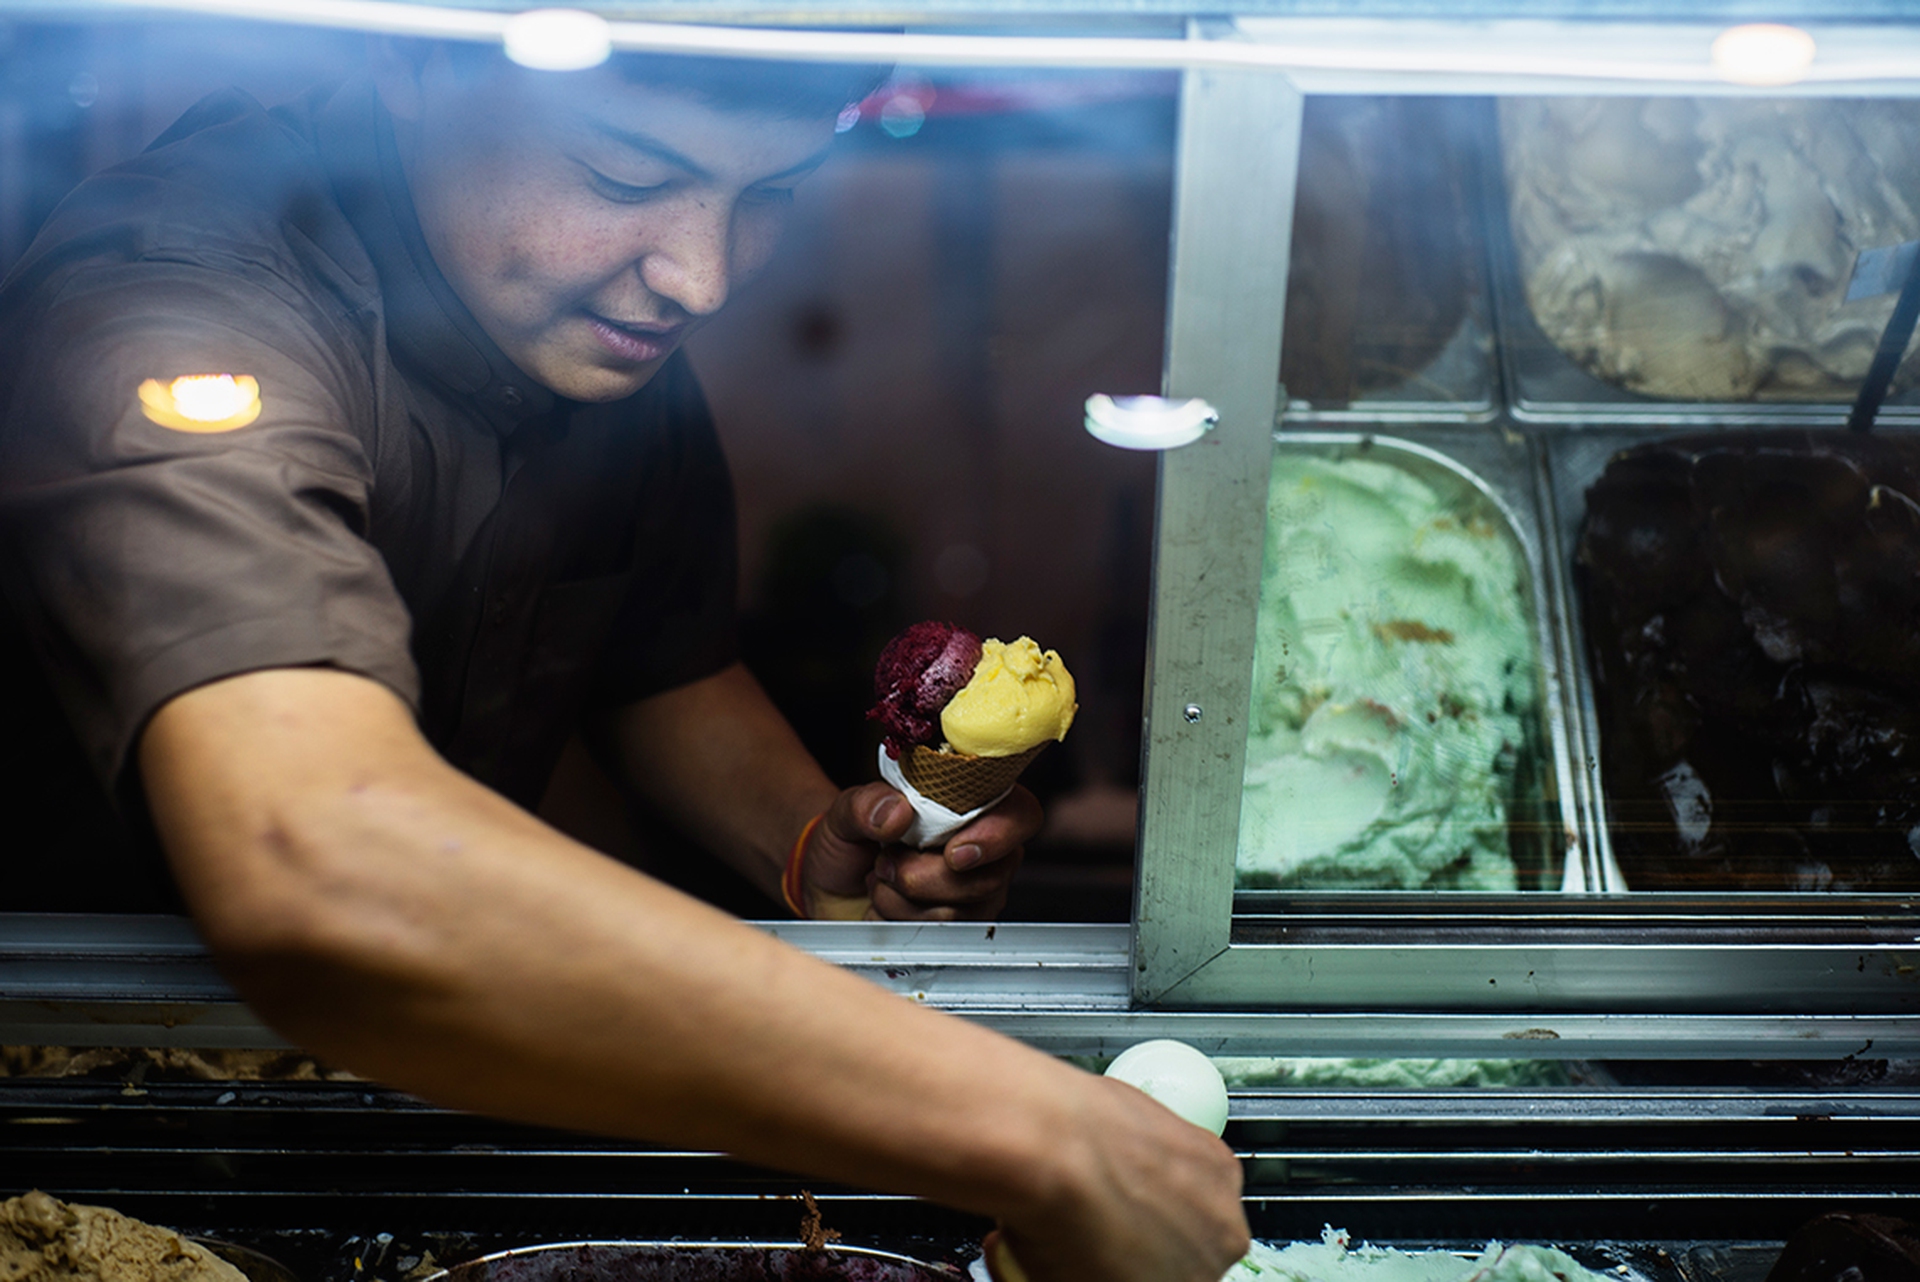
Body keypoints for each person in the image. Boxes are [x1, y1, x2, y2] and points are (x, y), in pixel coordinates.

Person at [0, 34, 1249, 1282]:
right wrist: (1039, 1131)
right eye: (621, 176)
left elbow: (656, 664)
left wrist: (810, 848)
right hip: (69, 1107)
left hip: (379, 1089)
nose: (702, 278)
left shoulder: (579, 321)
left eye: (767, 198)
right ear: (413, 63)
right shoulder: (171, 304)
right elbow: (311, 856)